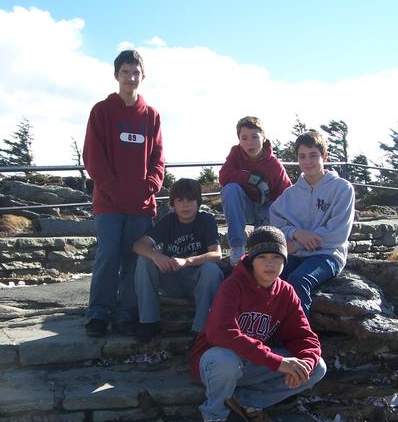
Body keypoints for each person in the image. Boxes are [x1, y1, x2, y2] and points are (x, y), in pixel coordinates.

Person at [189, 226, 326, 422]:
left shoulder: (286, 291)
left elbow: (304, 337)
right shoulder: (233, 286)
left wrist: (304, 364)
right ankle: (214, 417)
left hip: (251, 362)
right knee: (226, 360)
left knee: (317, 368)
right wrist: (277, 361)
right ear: (251, 259)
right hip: (213, 362)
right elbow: (221, 333)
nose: (270, 263)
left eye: (276, 257)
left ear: (285, 260)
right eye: (262, 257)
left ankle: (247, 401)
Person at [82, 49, 164, 337]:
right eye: (126, 72)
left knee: (135, 259)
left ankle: (127, 311)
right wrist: (116, 193)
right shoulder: (101, 112)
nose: (131, 78)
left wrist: (150, 186)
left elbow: (158, 159)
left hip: (141, 206)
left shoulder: (151, 116)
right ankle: (98, 313)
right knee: (108, 255)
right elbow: (93, 158)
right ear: (116, 75)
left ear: (143, 76)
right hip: (109, 204)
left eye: (136, 73)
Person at [269, 130, 354, 318]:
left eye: (313, 155)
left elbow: (338, 233)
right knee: (271, 279)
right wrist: (296, 232)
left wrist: (298, 243)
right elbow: (275, 221)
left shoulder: (342, 188)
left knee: (299, 280)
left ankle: (302, 340)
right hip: (297, 254)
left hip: (327, 254)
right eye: (302, 156)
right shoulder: (290, 194)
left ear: (324, 156)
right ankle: (270, 338)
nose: (307, 161)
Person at [133, 178, 223, 343]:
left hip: (197, 281)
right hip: (171, 279)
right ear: (173, 203)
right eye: (180, 200)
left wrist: (187, 261)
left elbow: (216, 255)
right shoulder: (168, 221)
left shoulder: (206, 220)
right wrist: (156, 255)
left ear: (199, 202)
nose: (185, 205)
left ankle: (200, 330)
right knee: (144, 260)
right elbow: (139, 245)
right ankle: (148, 322)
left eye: (190, 199)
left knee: (211, 270)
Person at [219, 116, 292, 266]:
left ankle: (261, 250)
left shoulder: (275, 165)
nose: (249, 142)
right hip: (245, 208)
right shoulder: (235, 154)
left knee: (271, 216)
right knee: (230, 190)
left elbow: (287, 195)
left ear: (264, 138)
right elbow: (223, 176)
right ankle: (237, 248)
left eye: (254, 137)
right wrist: (250, 178)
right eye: (244, 138)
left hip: (267, 210)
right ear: (239, 140)